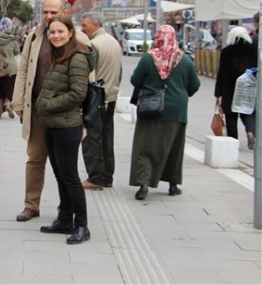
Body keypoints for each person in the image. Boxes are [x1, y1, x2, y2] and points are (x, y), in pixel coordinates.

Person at [35, 15, 94, 245]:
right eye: (52, 32)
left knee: (69, 176)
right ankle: (64, 219)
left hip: (67, 126)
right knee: (60, 175)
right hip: (52, 125)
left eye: (60, 31)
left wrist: (47, 105)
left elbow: (78, 94)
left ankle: (82, 225)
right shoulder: (58, 55)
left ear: (70, 32)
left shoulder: (77, 57)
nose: (56, 36)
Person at [129, 25, 200, 200]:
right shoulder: (185, 60)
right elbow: (195, 85)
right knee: (174, 148)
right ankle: (173, 185)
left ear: (158, 38)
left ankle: (143, 185)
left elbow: (135, 80)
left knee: (145, 147)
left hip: (151, 109)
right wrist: (181, 94)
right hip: (177, 112)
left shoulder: (148, 58)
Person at [11, 0, 64, 222]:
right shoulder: (34, 37)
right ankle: (31, 205)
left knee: (63, 164)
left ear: (63, 12)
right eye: (45, 12)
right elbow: (23, 70)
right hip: (36, 112)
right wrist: (18, 102)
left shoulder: (76, 37)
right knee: (35, 160)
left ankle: (66, 207)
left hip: (64, 114)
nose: (49, 16)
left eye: (54, 12)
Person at [80, 12, 122, 189]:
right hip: (111, 95)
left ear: (95, 24)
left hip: (97, 98)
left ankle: (95, 177)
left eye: (85, 26)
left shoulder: (93, 45)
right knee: (107, 136)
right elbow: (119, 72)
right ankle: (107, 175)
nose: (83, 29)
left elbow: (89, 75)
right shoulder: (114, 42)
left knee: (91, 137)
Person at [214, 26, 257, 149]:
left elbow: (221, 73)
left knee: (231, 115)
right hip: (247, 87)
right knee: (248, 112)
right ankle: (250, 132)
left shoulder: (227, 51)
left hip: (229, 88)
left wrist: (218, 93)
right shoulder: (252, 50)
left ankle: (233, 142)